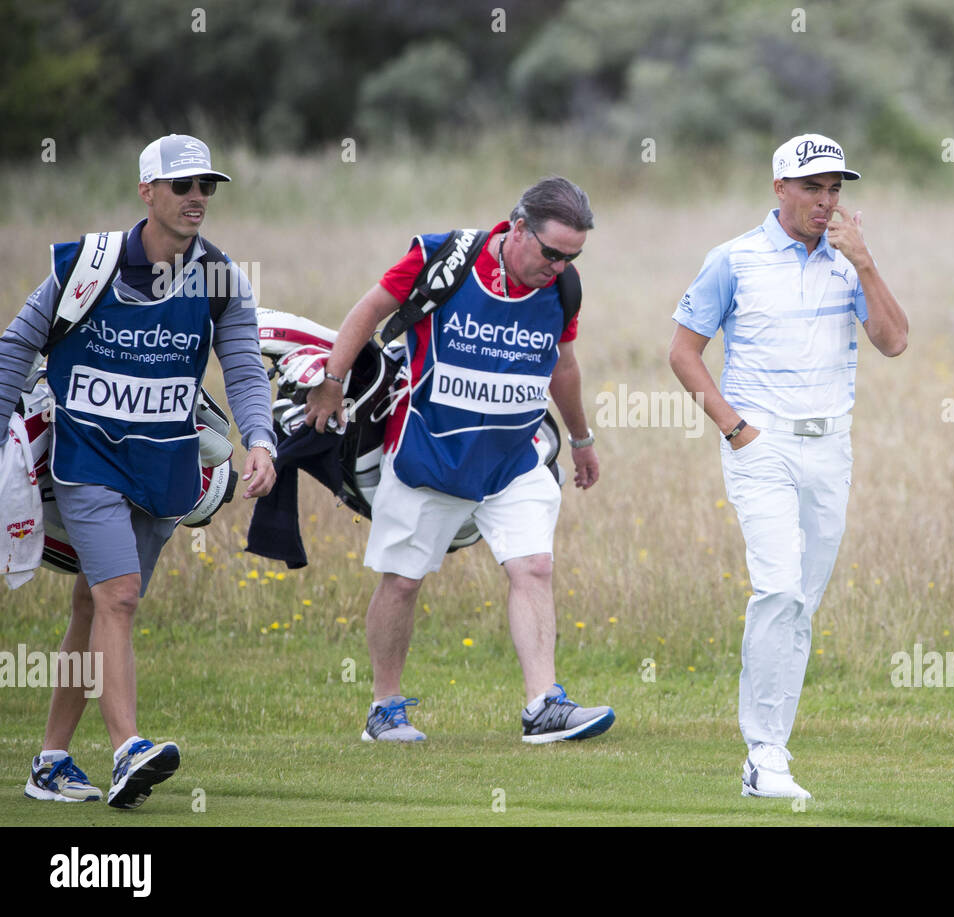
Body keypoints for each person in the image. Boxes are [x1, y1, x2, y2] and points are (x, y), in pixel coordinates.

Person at [0, 134, 277, 808]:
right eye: (182, 186)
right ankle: (129, 749)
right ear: (146, 191)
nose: (196, 198)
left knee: (94, 604)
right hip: (87, 459)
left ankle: (51, 761)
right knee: (119, 594)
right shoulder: (86, 265)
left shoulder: (220, 277)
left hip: (166, 467)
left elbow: (242, 364)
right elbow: (16, 345)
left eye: (206, 186)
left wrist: (261, 438)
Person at [304, 176, 614, 745]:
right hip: (429, 460)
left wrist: (582, 437)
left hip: (514, 462)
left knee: (534, 568)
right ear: (517, 228)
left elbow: (562, 365)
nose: (560, 267)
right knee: (401, 581)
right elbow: (370, 308)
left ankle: (543, 705)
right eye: (551, 253)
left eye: (572, 257)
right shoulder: (441, 257)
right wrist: (330, 381)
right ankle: (384, 708)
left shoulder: (563, 287)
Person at [668, 134, 908, 798]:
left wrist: (867, 263)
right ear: (780, 189)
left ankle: (771, 750)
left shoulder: (849, 262)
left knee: (801, 602)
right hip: (761, 443)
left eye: (835, 189)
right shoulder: (734, 260)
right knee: (777, 587)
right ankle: (765, 754)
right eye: (812, 187)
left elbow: (894, 340)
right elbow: (684, 352)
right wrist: (734, 427)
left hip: (831, 445)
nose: (826, 201)